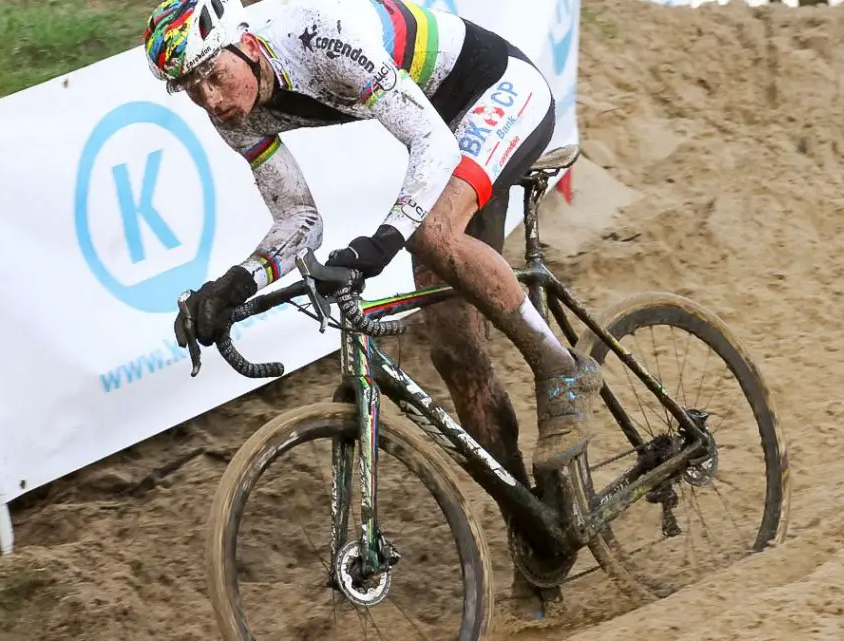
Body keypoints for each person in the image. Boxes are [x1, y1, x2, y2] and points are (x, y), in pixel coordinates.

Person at [148, 0, 602, 618]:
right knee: (453, 348)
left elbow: (431, 145)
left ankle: (561, 367)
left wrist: (382, 242)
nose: (211, 99)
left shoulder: (319, 37)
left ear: (242, 45)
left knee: (431, 235)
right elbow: (298, 220)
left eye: (213, 75)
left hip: (498, 92)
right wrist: (233, 284)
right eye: (190, 89)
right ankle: (536, 523)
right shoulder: (232, 115)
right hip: (443, 124)